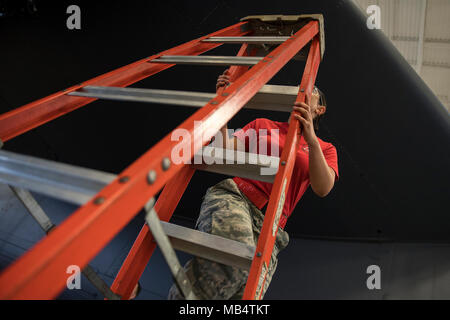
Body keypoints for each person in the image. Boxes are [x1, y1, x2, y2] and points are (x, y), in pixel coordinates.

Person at [166, 69, 339, 300]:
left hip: (273, 225)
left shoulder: (325, 148)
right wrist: (223, 103)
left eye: (313, 90)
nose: (306, 89)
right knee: (233, 259)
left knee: (246, 296)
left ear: (320, 110)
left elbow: (323, 188)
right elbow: (222, 153)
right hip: (237, 198)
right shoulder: (263, 125)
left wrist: (310, 140)